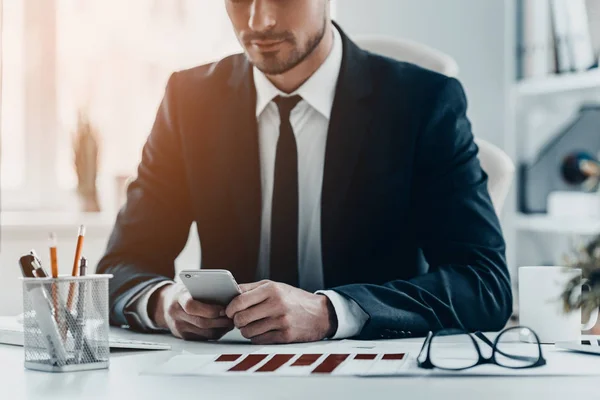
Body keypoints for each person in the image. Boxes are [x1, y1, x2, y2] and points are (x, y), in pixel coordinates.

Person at [97, 0, 512, 344]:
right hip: (228, 378)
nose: (260, 21)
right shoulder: (190, 102)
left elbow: (484, 284)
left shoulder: (422, 103)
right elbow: (120, 266)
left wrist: (331, 312)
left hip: (372, 379)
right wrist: (164, 302)